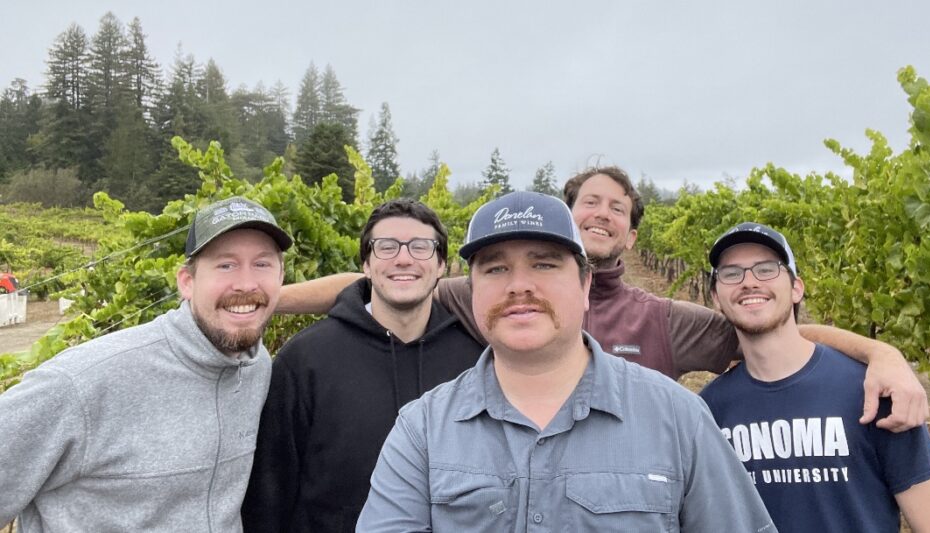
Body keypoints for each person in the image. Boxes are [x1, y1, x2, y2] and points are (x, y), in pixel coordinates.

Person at [278, 165, 928, 430]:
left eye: (617, 207)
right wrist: (268, 299)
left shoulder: (662, 318)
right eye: (590, 200)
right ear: (565, 213)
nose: (602, 213)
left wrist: (882, 353)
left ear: (634, 231)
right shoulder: (501, 296)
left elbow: (778, 332)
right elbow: (386, 286)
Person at [356, 192, 777, 532]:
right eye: (496, 269)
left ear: (585, 284)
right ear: (471, 291)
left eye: (544, 264)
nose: (519, 286)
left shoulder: (678, 419)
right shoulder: (422, 431)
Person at [0, 196, 292, 533]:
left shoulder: (256, 370)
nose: (246, 283)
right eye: (225, 265)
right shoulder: (82, 383)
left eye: (262, 264)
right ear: (187, 282)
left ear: (281, 276)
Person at [699, 222, 930, 532]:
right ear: (716, 296)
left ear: (797, 288)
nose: (749, 282)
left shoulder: (872, 391)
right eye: (731, 273)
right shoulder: (708, 410)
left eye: (767, 269)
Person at [242, 199, 482, 532]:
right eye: (386, 247)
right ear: (366, 265)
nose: (403, 258)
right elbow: (270, 495)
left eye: (420, 247)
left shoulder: (475, 361)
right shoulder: (305, 359)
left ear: (441, 265)